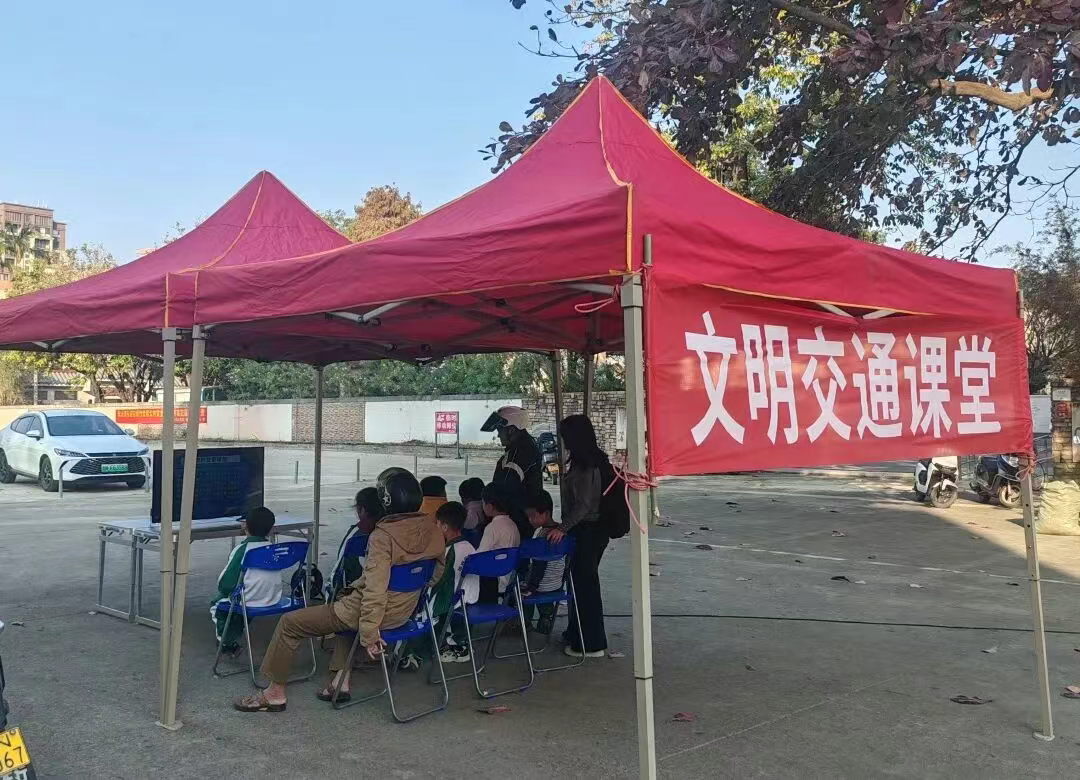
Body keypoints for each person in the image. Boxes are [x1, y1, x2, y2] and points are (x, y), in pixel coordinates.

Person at [232, 470, 444, 712]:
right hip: (402, 613)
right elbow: (435, 574)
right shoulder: (433, 530)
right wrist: (405, 596)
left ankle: (274, 694)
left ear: (386, 501)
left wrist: (370, 633)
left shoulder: (382, 537)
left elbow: (375, 591)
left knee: (290, 623)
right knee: (346, 608)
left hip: (372, 615)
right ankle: (340, 683)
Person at [547, 415, 609, 658]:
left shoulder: (586, 466)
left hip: (587, 531)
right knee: (579, 585)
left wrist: (562, 528)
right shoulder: (591, 461)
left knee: (585, 588)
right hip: (589, 530)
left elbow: (583, 505)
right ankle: (576, 633)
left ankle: (591, 644)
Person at [211, 507, 281, 655]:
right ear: (271, 529)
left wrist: (224, 591)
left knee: (217, 604)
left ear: (245, 526)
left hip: (248, 599)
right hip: (273, 597)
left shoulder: (243, 549)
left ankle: (225, 642)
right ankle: (235, 630)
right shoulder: (273, 549)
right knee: (239, 604)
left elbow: (226, 583)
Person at [481, 405, 541, 542]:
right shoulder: (527, 446)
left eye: (499, 430)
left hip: (515, 519)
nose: (498, 435)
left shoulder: (518, 454)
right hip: (522, 517)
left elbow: (503, 490)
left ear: (511, 430)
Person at [522, 490, 564, 636]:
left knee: (521, 591)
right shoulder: (562, 532)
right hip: (557, 584)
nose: (530, 520)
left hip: (542, 585)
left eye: (533, 516)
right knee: (545, 587)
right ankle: (546, 616)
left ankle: (524, 623)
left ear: (546, 513)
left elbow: (539, 566)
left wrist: (531, 587)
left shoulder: (542, 536)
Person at [329, 487, 383, 596]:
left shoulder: (355, 537)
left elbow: (338, 571)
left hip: (355, 595)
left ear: (362, 510)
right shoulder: (391, 532)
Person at [476, 482, 521, 598]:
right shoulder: (513, 525)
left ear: (490, 506)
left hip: (494, 582)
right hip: (509, 580)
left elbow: (480, 556)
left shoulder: (492, 527)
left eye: (483, 503)